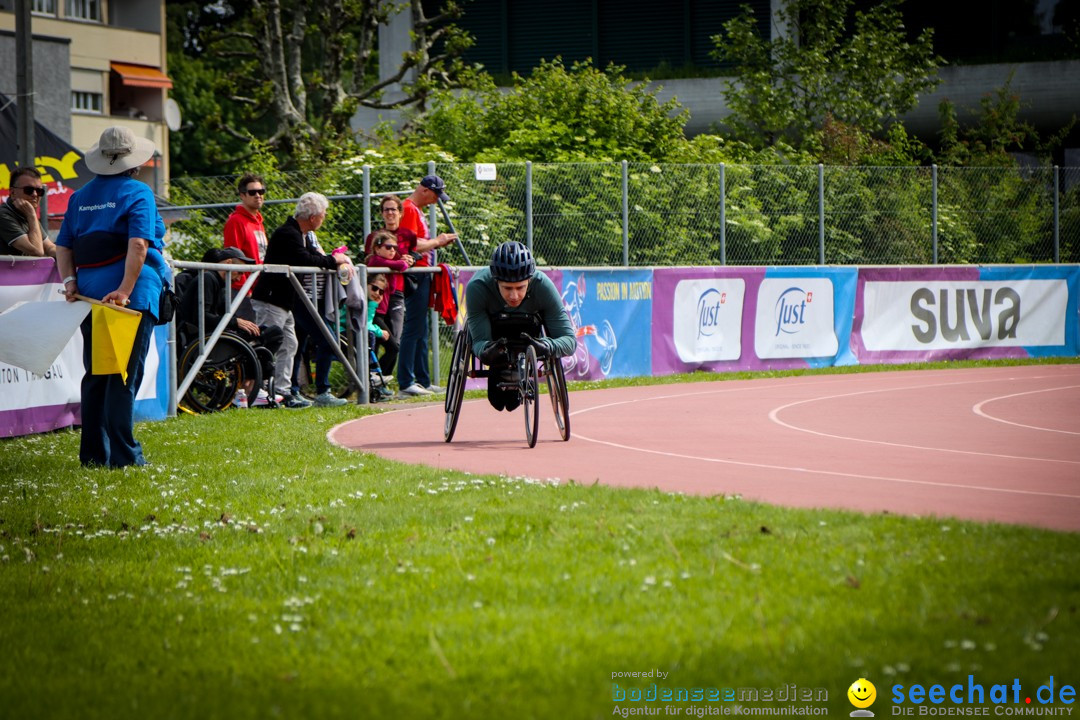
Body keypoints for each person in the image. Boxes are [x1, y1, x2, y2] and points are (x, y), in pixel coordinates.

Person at [55, 125, 167, 467]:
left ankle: (93, 456)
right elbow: (138, 244)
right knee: (122, 376)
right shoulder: (138, 192)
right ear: (134, 161)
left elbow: (63, 245)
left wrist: (71, 281)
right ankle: (126, 457)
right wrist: (125, 290)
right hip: (128, 299)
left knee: (98, 375)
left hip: (90, 295)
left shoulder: (79, 197)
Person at [250, 192, 352, 408]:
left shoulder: (301, 234)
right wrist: (333, 260)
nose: (323, 218)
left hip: (285, 301)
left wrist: (335, 259)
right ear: (313, 217)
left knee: (290, 343)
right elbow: (304, 258)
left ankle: (282, 391)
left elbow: (313, 254)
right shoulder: (289, 233)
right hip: (271, 299)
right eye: (323, 215)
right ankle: (260, 391)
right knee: (270, 343)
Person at [465, 241, 575, 412]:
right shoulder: (478, 287)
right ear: (496, 281)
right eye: (507, 288)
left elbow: (569, 341)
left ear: (530, 280)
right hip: (495, 338)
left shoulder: (543, 287)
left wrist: (547, 346)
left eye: (520, 287)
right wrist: (487, 352)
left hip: (530, 335)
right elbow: (479, 341)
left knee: (510, 402)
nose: (514, 295)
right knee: (498, 402)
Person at [175, 246, 284, 406]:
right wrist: (235, 322)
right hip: (205, 338)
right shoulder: (207, 279)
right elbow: (201, 316)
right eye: (239, 272)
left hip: (218, 334)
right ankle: (245, 388)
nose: (240, 278)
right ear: (228, 263)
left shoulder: (219, 283)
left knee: (272, 334)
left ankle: (248, 385)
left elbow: (220, 315)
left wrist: (238, 323)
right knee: (266, 336)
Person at [395, 177, 457, 397]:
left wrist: (438, 243)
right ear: (424, 190)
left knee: (421, 328)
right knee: (413, 327)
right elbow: (411, 244)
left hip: (423, 273)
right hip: (415, 274)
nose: (436, 200)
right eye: (435, 195)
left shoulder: (416, 209)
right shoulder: (408, 209)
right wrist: (438, 241)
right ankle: (406, 382)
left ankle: (422, 380)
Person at [363, 228, 411, 379]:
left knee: (376, 348)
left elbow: (393, 287)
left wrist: (400, 260)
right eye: (388, 247)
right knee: (393, 347)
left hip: (382, 313)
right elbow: (402, 266)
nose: (392, 251)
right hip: (374, 313)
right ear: (377, 248)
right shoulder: (375, 260)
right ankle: (378, 377)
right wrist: (401, 261)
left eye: (395, 248)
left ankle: (375, 380)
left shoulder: (388, 264)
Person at [222, 173, 268, 293]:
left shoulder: (259, 222)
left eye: (261, 191)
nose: (258, 195)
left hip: (259, 286)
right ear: (242, 195)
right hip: (243, 290)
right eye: (252, 192)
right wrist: (245, 290)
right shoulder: (235, 221)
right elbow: (233, 257)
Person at [1, 166, 56, 257]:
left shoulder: (26, 213)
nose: (35, 195)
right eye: (28, 190)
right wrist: (32, 215)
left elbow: (49, 247)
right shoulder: (4, 215)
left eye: (39, 191)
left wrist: (71, 254)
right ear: (13, 192)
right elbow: (37, 251)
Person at [365, 273, 394, 401]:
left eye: (381, 292)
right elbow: (364, 323)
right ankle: (372, 377)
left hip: (370, 324)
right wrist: (379, 331)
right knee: (373, 339)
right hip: (347, 331)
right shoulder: (360, 299)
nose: (377, 293)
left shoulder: (370, 302)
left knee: (392, 347)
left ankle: (375, 381)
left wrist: (373, 303)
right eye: (374, 288)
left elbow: (367, 321)